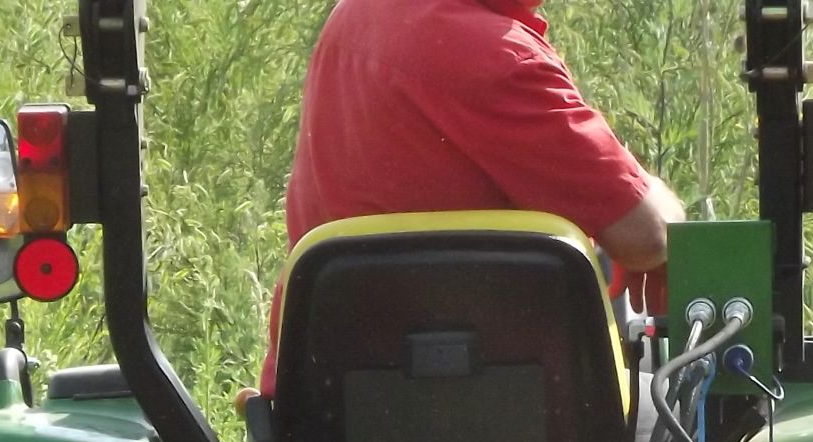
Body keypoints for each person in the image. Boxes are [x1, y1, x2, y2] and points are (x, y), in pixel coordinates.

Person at [263, 0, 681, 389]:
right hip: (503, 413)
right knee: (696, 404)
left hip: (333, 408)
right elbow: (650, 235)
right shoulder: (498, 59)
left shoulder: (357, 13)